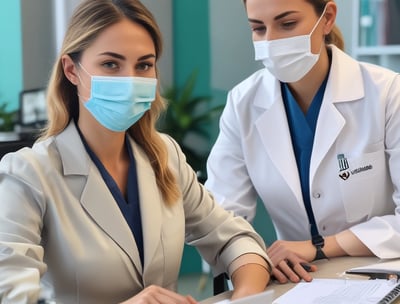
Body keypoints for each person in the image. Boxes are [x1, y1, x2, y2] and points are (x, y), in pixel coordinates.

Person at [0, 0, 273, 303]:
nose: (130, 80)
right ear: (71, 70)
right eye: (110, 64)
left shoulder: (164, 156)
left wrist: (246, 296)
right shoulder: (27, 175)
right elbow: (13, 296)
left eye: (143, 65)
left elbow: (232, 238)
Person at [205, 0, 400, 285]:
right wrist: (252, 260)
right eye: (258, 29)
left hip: (381, 276)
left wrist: (319, 247)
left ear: (327, 18)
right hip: (295, 281)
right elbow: (221, 219)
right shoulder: (243, 102)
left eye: (287, 24)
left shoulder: (387, 93)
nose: (270, 41)